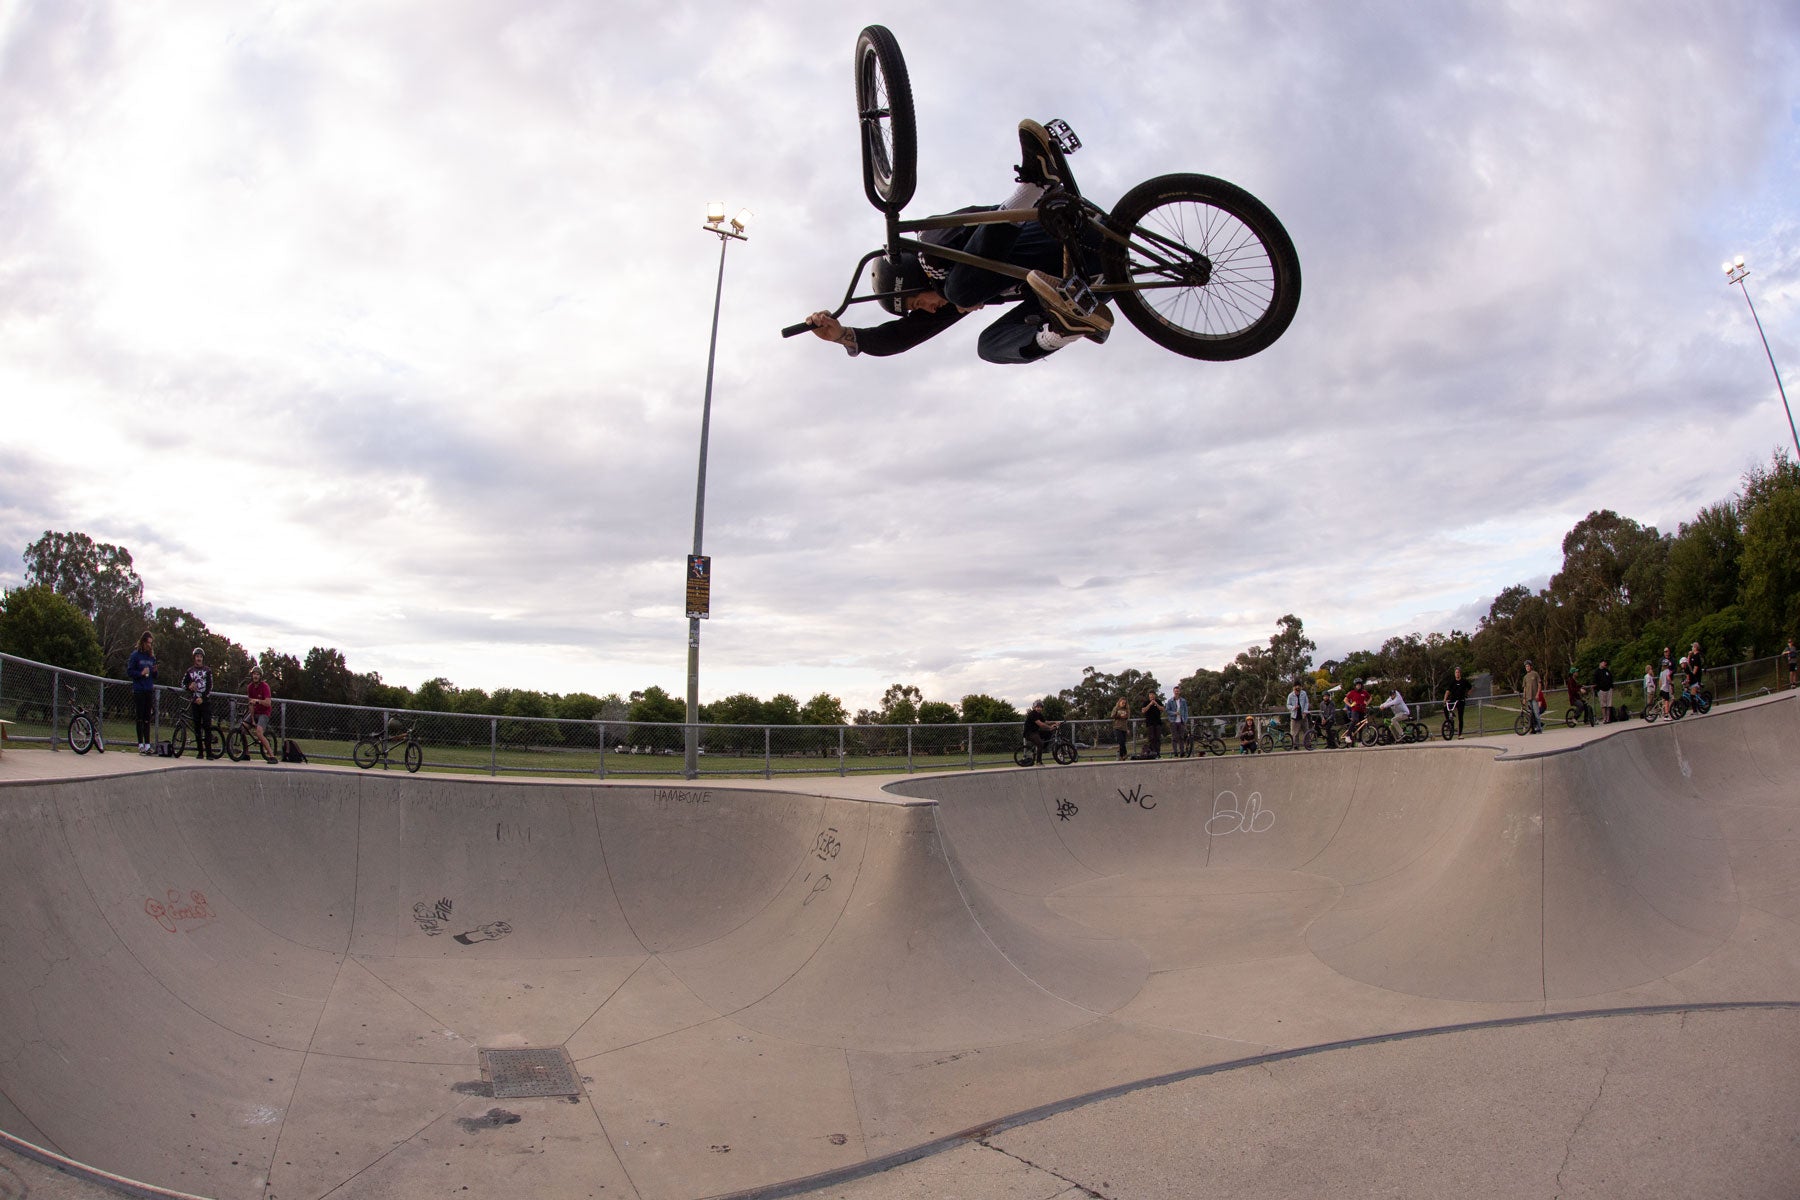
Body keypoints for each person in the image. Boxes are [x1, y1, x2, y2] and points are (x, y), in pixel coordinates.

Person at [804, 121, 1112, 365]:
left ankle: (1034, 183)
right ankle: (1062, 329)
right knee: (988, 346)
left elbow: (974, 224)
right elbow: (901, 338)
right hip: (1087, 282)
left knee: (957, 290)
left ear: (913, 275)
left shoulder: (934, 243)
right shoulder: (954, 299)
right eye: (918, 309)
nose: (927, 307)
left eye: (916, 301)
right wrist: (843, 335)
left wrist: (952, 287)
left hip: (1074, 233)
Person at [126, 631, 157, 754]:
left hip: (148, 689)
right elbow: (130, 672)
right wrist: (140, 674)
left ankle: (148, 744)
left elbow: (154, 675)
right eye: (148, 643)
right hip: (139, 689)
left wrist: (154, 671)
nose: (150, 645)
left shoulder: (151, 657)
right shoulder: (135, 655)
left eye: (151, 643)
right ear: (143, 642)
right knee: (139, 717)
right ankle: (140, 744)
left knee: (147, 718)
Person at [184, 648, 215, 759]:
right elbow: (183, 683)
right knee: (197, 727)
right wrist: (189, 686)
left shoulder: (207, 670)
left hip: (205, 702)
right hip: (194, 702)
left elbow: (210, 686)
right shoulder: (190, 671)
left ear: (203, 658)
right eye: (197, 656)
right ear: (194, 658)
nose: (199, 658)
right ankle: (200, 751)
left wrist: (203, 697)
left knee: (207, 726)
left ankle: (209, 752)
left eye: (200, 656)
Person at [243, 666, 275, 759]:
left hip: (264, 713)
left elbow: (268, 703)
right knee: (242, 728)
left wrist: (257, 701)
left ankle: (272, 756)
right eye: (254, 674)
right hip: (255, 712)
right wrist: (252, 719)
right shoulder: (250, 687)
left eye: (257, 674)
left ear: (260, 676)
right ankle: (246, 753)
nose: (255, 676)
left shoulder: (265, 686)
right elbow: (251, 704)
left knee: (259, 732)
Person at [1443, 666, 1471, 739]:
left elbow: (1470, 687)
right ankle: (1449, 723)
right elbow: (1447, 691)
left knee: (1460, 718)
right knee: (1446, 708)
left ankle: (1460, 734)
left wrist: (1467, 694)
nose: (1457, 674)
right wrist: (1445, 699)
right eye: (1456, 672)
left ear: (1460, 673)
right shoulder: (1452, 682)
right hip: (1453, 700)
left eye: (1458, 672)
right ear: (1454, 673)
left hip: (1461, 701)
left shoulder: (1464, 681)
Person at [1343, 679, 1371, 744]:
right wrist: (1350, 705)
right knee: (1355, 720)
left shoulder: (1364, 692)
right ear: (1355, 686)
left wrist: (1366, 703)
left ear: (1361, 685)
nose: (1358, 686)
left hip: (1362, 710)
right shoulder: (1352, 692)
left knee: (1361, 725)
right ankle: (1348, 735)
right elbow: (1345, 699)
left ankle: (1360, 740)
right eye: (1357, 685)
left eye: (1359, 685)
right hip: (1355, 710)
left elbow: (1370, 698)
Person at [1286, 682, 1312, 749]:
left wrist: (1305, 711)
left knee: (1306, 730)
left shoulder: (1304, 693)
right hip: (1295, 716)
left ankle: (1308, 744)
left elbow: (1306, 702)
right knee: (1295, 733)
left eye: (1299, 688)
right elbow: (1288, 705)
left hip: (1303, 716)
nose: (1297, 690)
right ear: (1293, 688)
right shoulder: (1290, 695)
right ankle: (1295, 745)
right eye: (1296, 688)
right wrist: (1294, 707)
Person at [1167, 685, 1191, 756]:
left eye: (1178, 691)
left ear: (1179, 692)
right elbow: (1167, 710)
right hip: (1173, 721)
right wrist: (1174, 713)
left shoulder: (1183, 701)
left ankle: (1182, 752)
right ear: (1173, 692)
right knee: (1174, 737)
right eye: (1175, 691)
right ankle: (1175, 752)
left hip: (1181, 721)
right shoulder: (1170, 701)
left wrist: (1185, 720)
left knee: (1181, 737)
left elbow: (1186, 711)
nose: (1176, 692)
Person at [1140, 692, 1165, 758]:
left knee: (1158, 739)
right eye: (1150, 696)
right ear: (1149, 696)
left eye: (1153, 696)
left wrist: (1156, 704)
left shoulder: (1158, 701)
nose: (1152, 697)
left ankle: (1158, 753)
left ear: (1155, 696)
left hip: (1158, 723)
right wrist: (1150, 704)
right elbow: (1143, 711)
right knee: (1151, 739)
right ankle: (1152, 753)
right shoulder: (1146, 702)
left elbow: (1162, 709)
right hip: (1150, 723)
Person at [1520, 660, 1542, 733]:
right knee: (1530, 715)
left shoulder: (1535, 674)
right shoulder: (1525, 677)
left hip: (1534, 697)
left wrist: (1537, 694)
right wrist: (1524, 698)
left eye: (1528, 666)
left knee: (1536, 713)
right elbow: (1525, 688)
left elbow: (1539, 684)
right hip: (1528, 698)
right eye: (1526, 666)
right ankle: (1532, 729)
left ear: (1531, 666)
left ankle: (1539, 728)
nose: (1527, 668)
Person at [1592, 660, 1614, 724]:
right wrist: (1597, 689)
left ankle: (1608, 718)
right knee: (1603, 705)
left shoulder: (1607, 671)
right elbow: (1595, 681)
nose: (1605, 664)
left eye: (1605, 663)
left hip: (1609, 689)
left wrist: (1611, 687)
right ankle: (1604, 718)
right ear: (1600, 663)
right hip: (1601, 690)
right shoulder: (1596, 672)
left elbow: (1611, 678)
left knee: (1609, 705)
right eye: (1603, 663)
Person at [1110, 696, 1131, 761]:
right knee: (1121, 741)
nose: (1123, 704)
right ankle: (1124, 754)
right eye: (1122, 703)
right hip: (1117, 727)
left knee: (1123, 742)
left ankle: (1122, 757)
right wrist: (1119, 715)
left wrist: (1127, 728)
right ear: (1119, 702)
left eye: (1124, 703)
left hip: (1124, 728)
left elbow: (1127, 717)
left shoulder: (1126, 710)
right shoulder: (1116, 708)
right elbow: (1112, 716)